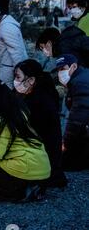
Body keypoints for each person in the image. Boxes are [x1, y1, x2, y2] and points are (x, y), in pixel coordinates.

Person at [14, 59, 68, 188]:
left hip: (43, 157)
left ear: (31, 80)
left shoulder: (41, 100)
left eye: (17, 77)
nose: (15, 81)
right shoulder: (31, 92)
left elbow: (32, 130)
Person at [53, 54, 89, 171]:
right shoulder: (81, 77)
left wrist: (66, 143)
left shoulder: (79, 83)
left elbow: (77, 120)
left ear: (73, 66)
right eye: (58, 70)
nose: (60, 73)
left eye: (63, 69)